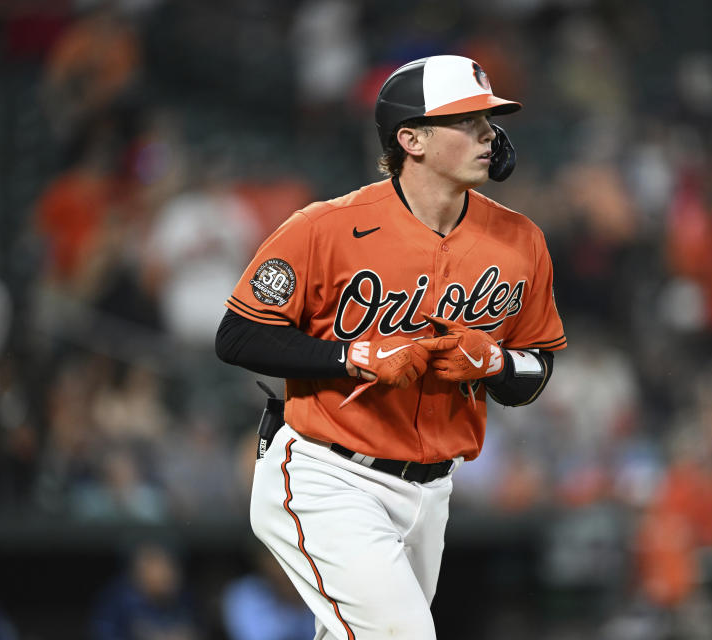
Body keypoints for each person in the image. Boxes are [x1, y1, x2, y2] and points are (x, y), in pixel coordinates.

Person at [216, 55, 566, 639]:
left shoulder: (519, 240)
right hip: (329, 473)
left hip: (432, 492)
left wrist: (496, 363)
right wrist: (350, 357)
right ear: (412, 139)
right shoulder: (325, 227)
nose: (489, 133)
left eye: (489, 119)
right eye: (467, 120)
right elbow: (238, 335)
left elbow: (539, 368)